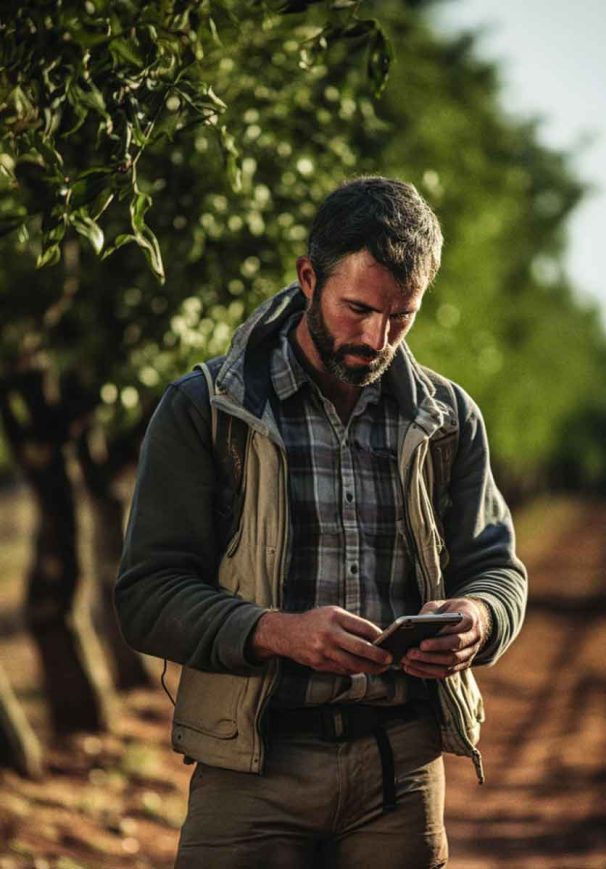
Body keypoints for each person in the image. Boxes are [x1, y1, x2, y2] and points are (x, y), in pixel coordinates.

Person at [115, 176, 527, 868]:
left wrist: (480, 619)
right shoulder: (207, 410)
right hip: (251, 772)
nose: (377, 337)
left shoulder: (449, 420)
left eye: (402, 317)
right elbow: (146, 597)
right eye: (358, 308)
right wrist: (278, 632)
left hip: (401, 775)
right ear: (308, 277)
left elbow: (498, 568)